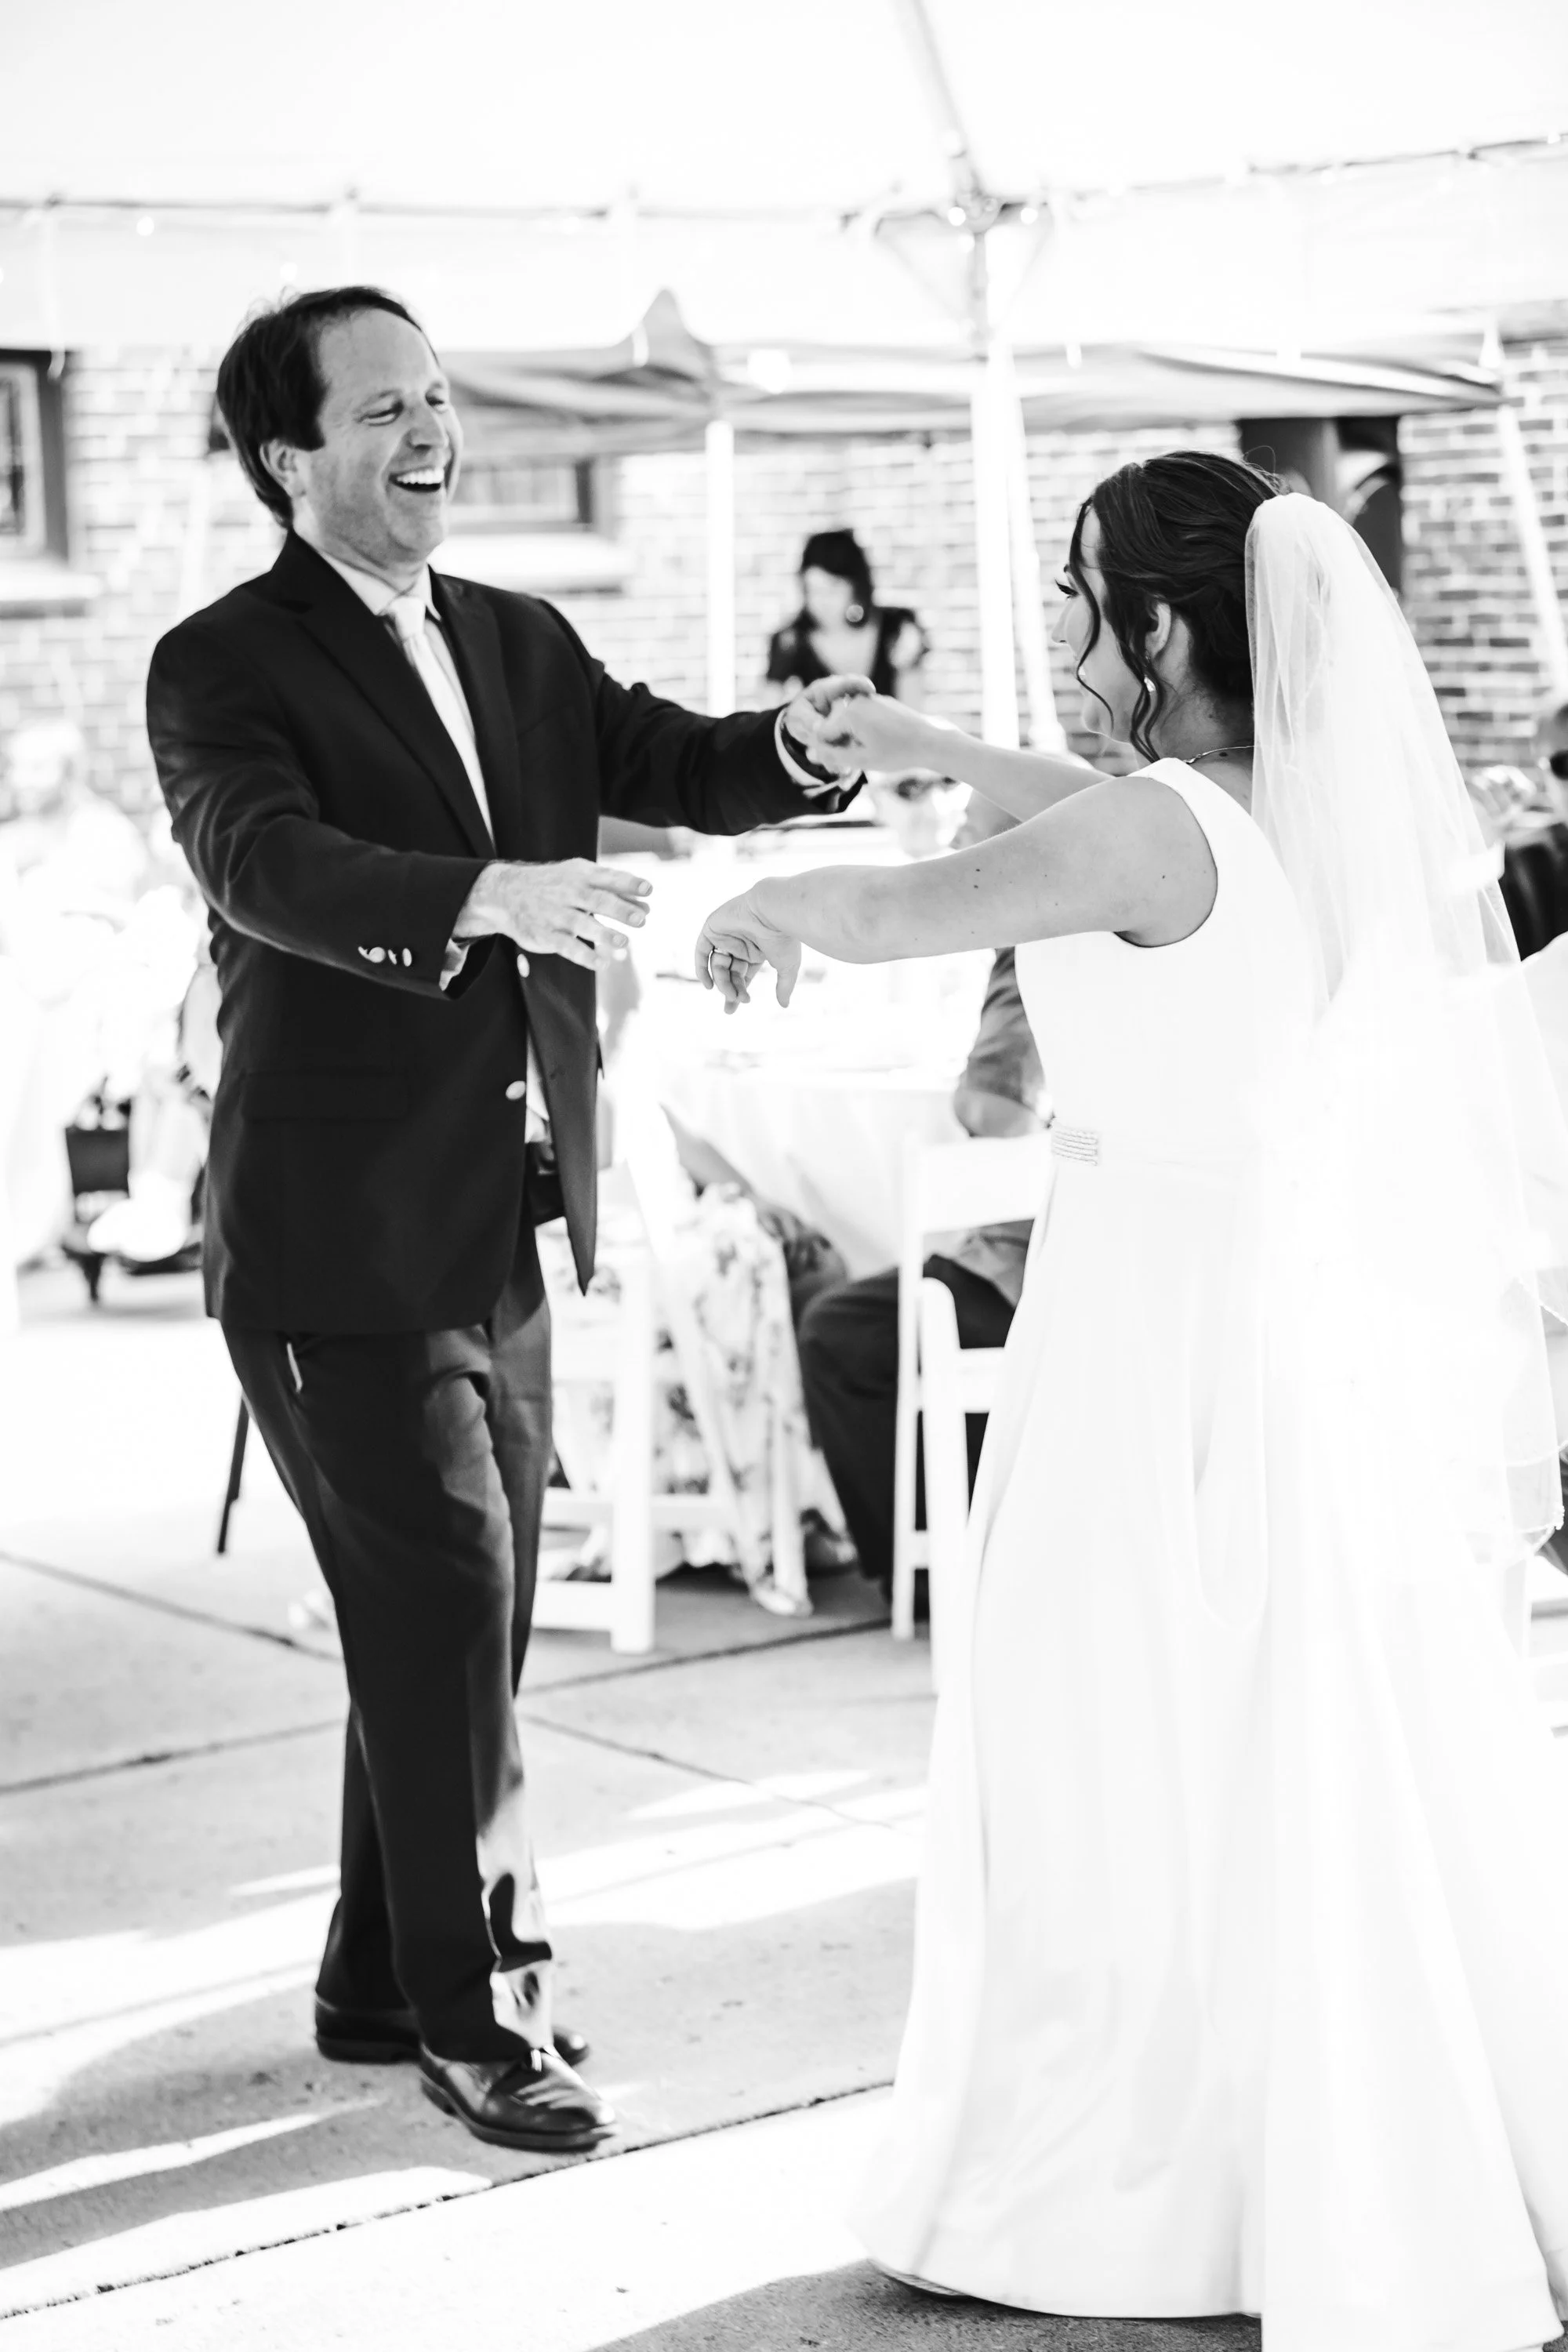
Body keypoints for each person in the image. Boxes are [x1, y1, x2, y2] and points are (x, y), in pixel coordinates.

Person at [696, 453, 1568, 2347]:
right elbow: (1072, 804)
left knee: (1096, 1731)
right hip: (1247, 1310)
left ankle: (1138, 2172)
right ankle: (1271, 2136)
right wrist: (925, 733)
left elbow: (914, 906)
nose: (1071, 639)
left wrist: (771, 895)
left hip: (1145, 1319)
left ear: (1165, 630)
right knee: (1246, 1729)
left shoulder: (1148, 828)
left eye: (1085, 603)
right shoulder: (1269, 813)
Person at [146, 285, 864, 2161]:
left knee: (457, 1622)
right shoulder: (220, 663)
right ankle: (487, 2012)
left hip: (505, 1218)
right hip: (327, 1233)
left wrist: (790, 747)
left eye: (439, 398)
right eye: (384, 407)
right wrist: (487, 893)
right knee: (449, 1598)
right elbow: (265, 866)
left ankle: (372, 1979)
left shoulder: (521, 639)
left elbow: (673, 762)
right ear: (289, 456)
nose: (429, 430)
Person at [797, 924, 1046, 1597]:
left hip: (1032, 1270)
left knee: (840, 1331)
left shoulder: (1038, 942)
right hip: (1115, 1261)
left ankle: (936, 1576)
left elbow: (1000, 1113)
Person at [763, 528, 925, 710]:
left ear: (855, 587)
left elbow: (913, 712)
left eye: (832, 589)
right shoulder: (790, 641)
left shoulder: (896, 629)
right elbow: (769, 715)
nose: (821, 602)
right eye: (813, 590)